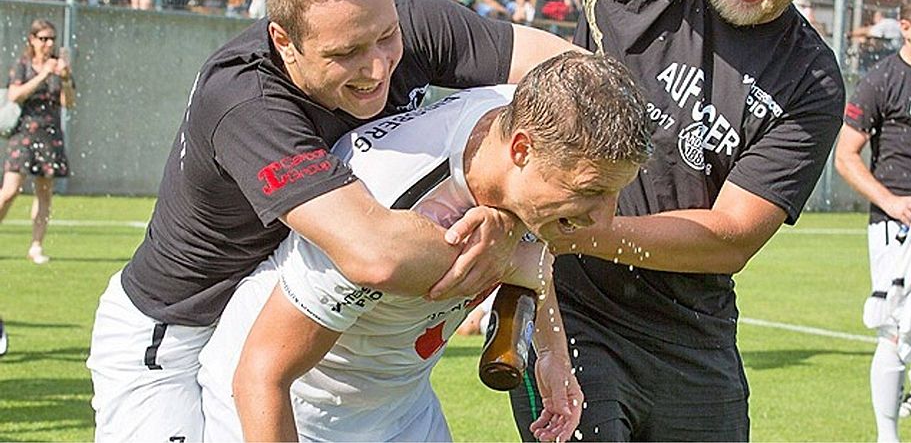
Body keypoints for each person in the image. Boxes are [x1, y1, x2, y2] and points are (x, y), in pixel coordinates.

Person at [86, 0, 578, 443]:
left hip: (288, 320)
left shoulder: (406, 20)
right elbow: (373, 253)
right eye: (345, 53)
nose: (377, 67)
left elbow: (572, 79)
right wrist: (514, 252)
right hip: (175, 334)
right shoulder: (244, 101)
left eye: (387, 37)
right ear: (284, 40)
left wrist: (516, 209)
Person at [508, 0, 851, 440]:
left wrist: (584, 232)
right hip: (570, 311)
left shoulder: (811, 79)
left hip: (692, 338)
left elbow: (730, 237)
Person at [199, 51, 652, 442]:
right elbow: (261, 374)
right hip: (297, 409)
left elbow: (534, 260)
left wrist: (553, 354)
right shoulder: (383, 206)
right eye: (591, 192)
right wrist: (513, 255)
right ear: (520, 150)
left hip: (404, 408)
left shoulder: (527, 131)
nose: (605, 219)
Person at [835, 0, 911, 442]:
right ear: (905, 28)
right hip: (898, 224)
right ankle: (888, 435)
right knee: (896, 330)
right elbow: (846, 157)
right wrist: (890, 202)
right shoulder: (881, 79)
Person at [0, 19, 75, 265]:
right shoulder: (23, 66)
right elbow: (14, 95)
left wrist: (63, 78)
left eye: (51, 38)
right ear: (32, 40)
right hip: (24, 133)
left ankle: (36, 246)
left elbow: (69, 102)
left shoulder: (59, 67)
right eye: (43, 38)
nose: (48, 43)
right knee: (9, 191)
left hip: (49, 134)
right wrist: (43, 74)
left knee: (44, 193)